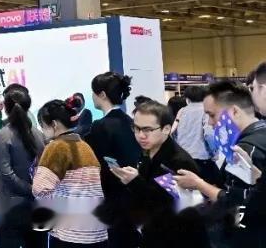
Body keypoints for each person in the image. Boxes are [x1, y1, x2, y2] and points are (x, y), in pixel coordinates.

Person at [173, 79, 266, 248]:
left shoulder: (245, 150)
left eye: (212, 115)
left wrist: (198, 184)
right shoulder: (261, 133)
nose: (210, 122)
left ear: (234, 111)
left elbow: (237, 203)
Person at [109, 99, 208, 248]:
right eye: (136, 128)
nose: (141, 135)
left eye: (147, 130)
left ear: (166, 129)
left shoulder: (177, 162)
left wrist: (135, 182)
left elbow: (166, 204)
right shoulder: (148, 153)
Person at [33, 99, 107, 247]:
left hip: (69, 233)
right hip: (96, 231)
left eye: (42, 125)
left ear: (54, 124)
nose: (42, 130)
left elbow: (40, 189)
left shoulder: (56, 147)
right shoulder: (84, 146)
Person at [84, 71, 138, 248]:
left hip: (112, 196)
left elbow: (97, 165)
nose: (92, 97)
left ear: (102, 95)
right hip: (133, 192)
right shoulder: (130, 121)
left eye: (93, 92)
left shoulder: (100, 126)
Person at [0, 86, 46, 248]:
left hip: (11, 207)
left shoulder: (2, 135)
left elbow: (6, 174)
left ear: (6, 108)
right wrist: (34, 189)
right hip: (37, 205)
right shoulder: (39, 134)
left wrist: (30, 189)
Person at [173, 85, 217, 185]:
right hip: (201, 157)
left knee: (187, 189)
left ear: (187, 98)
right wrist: (214, 152)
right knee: (205, 188)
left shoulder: (182, 110)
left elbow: (174, 133)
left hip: (183, 157)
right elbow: (209, 134)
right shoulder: (205, 111)